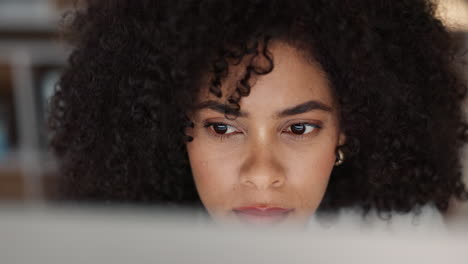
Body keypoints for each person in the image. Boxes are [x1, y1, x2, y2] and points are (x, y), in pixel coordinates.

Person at [48, 0, 468, 227]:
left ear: (348, 129)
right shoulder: (120, 248)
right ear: (171, 126)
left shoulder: (403, 240)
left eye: (300, 128)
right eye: (222, 127)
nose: (262, 172)